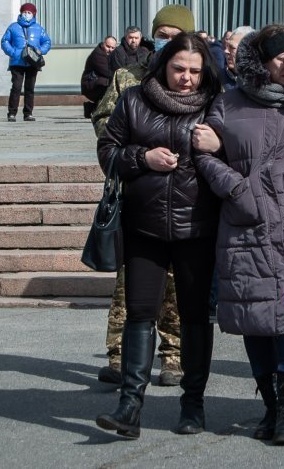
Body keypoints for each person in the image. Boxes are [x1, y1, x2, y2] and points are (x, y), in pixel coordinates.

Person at [192, 25, 284, 445]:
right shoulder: (228, 102)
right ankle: (271, 407)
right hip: (245, 221)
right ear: (262, 61)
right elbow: (203, 154)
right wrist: (236, 188)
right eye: (281, 57)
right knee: (254, 316)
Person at [95, 33, 222, 439]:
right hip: (143, 227)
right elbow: (107, 150)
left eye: (195, 72)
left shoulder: (217, 103)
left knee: (195, 318)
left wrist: (219, 143)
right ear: (163, 65)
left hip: (197, 228)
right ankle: (130, 405)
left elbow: (242, 153)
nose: (186, 78)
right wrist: (142, 157)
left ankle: (193, 405)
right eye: (179, 69)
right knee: (139, 314)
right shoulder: (134, 100)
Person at [92, 6, 195, 388]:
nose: (166, 40)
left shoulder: (194, 78)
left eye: (174, 34)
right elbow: (105, 122)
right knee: (129, 284)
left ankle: (174, 356)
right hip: (137, 191)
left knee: (177, 287)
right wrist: (138, 145)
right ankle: (119, 358)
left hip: (182, 195)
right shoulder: (128, 77)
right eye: (161, 34)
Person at [0, 2, 51, 122]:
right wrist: (13, 52)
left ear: (33, 14)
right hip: (17, 62)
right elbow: (4, 41)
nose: (26, 14)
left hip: (32, 62)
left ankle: (28, 113)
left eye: (29, 12)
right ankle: (12, 113)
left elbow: (47, 42)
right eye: (24, 12)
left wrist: (40, 50)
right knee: (16, 87)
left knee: (30, 88)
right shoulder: (13, 27)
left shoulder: (38, 28)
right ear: (21, 13)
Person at [81, 35, 119, 118]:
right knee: (109, 82)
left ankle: (93, 107)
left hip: (96, 82)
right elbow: (108, 72)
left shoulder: (111, 54)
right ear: (103, 44)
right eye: (108, 46)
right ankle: (95, 108)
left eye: (113, 48)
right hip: (90, 85)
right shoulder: (98, 55)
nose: (110, 49)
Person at [221, 26, 255, 90]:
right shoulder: (218, 77)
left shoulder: (260, 82)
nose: (226, 51)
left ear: (248, 51)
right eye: (227, 46)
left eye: (232, 47)